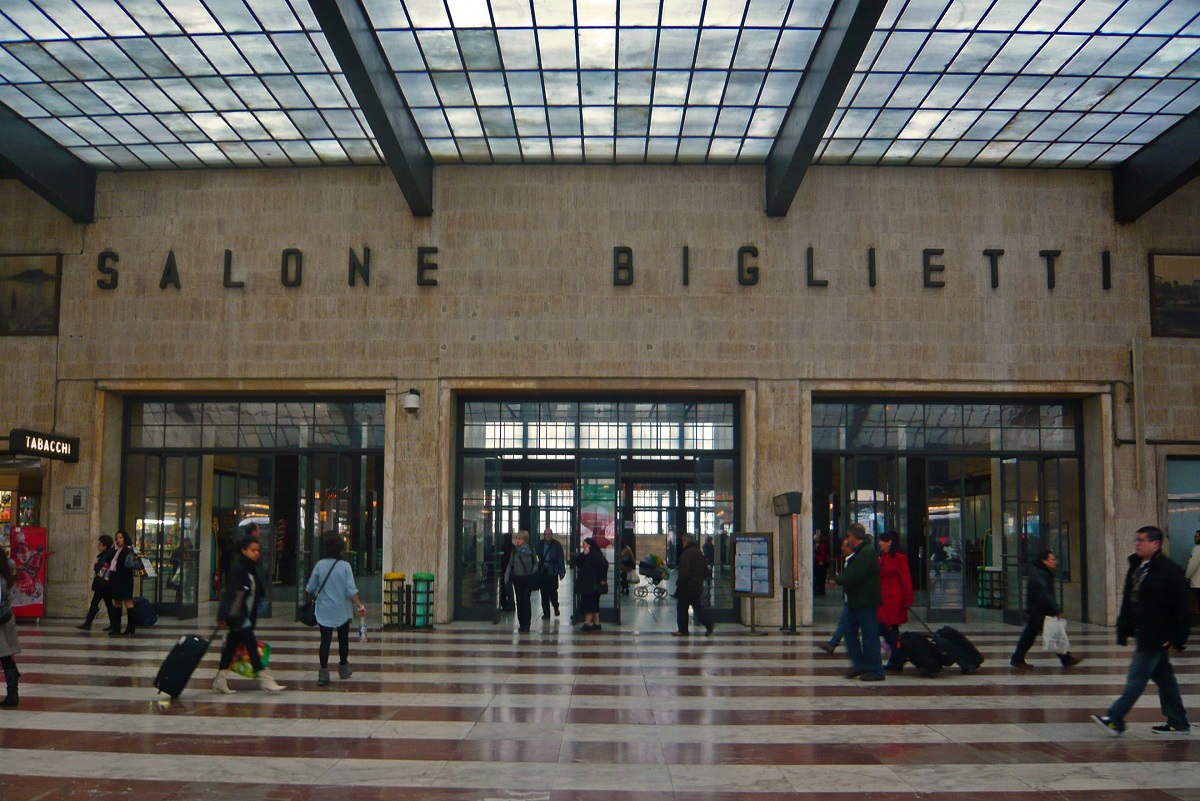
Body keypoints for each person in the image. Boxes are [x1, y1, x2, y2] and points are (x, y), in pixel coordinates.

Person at [1093, 525, 1191, 735]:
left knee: (1136, 678)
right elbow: (1131, 599)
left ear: (1155, 544)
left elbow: (1182, 607)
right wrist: (1124, 626)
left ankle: (1116, 718)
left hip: (1157, 635)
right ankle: (1178, 721)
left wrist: (1176, 637)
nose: (1137, 544)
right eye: (1136, 540)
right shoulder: (1138, 565)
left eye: (1141, 540)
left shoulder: (1169, 570)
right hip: (1143, 631)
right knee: (1165, 679)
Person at [213, 534, 285, 694]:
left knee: (230, 648)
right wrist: (222, 615)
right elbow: (229, 593)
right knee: (252, 646)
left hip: (245, 615)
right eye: (253, 550)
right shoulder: (238, 568)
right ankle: (266, 679)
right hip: (238, 616)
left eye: (258, 550)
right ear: (243, 551)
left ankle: (220, 679)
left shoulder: (251, 569)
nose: (256, 553)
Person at [306, 531, 367, 685]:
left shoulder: (319, 565)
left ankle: (323, 673)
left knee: (325, 641)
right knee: (343, 639)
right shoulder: (345, 566)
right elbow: (350, 590)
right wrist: (360, 606)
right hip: (342, 610)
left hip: (324, 610)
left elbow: (310, 587)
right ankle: (344, 668)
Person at [1010, 550, 1083, 670]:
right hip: (1039, 611)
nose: (1055, 562)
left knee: (1031, 636)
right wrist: (1056, 610)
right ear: (1044, 560)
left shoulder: (1042, 572)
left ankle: (1017, 658)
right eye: (1052, 559)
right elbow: (1045, 594)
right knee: (1045, 635)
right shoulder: (1040, 574)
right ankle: (1066, 659)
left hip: (1038, 610)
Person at [833, 523, 884, 681]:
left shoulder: (866, 552)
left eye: (848, 536)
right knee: (849, 632)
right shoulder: (862, 551)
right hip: (856, 601)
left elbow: (854, 575)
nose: (847, 540)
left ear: (853, 537)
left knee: (869, 637)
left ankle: (876, 670)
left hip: (865, 601)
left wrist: (838, 579)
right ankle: (860, 664)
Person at [877, 531, 913, 672]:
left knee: (887, 628)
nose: (880, 543)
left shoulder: (899, 558)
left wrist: (908, 600)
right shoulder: (884, 557)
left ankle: (898, 655)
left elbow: (906, 580)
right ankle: (896, 659)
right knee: (890, 630)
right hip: (883, 600)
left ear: (890, 542)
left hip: (893, 601)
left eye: (882, 541)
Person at [672, 534, 715, 637]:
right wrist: (699, 579)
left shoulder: (686, 554)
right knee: (697, 607)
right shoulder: (699, 553)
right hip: (697, 586)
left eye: (683, 541)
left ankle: (683, 630)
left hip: (686, 587)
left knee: (682, 608)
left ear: (685, 541)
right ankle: (709, 624)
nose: (682, 543)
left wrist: (679, 583)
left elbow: (684, 573)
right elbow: (706, 571)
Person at [77, 534, 115, 631]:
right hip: (105, 584)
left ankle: (88, 623)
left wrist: (96, 566)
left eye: (100, 544)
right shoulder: (108, 554)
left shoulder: (105, 556)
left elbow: (101, 570)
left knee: (96, 603)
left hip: (102, 584)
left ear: (105, 546)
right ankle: (112, 624)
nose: (98, 546)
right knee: (107, 603)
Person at [504, 530, 539, 632]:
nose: (517, 541)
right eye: (516, 538)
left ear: (524, 540)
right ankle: (521, 623)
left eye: (519, 539)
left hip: (527, 578)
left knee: (526, 600)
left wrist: (533, 570)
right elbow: (510, 564)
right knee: (519, 600)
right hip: (517, 578)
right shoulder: (514, 551)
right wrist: (507, 575)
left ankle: (527, 623)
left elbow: (536, 562)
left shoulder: (531, 550)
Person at [106, 530, 139, 636]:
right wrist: (114, 548)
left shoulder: (128, 550)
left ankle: (131, 627)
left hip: (125, 579)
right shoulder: (116, 549)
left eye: (121, 538)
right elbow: (108, 559)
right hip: (115, 579)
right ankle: (116, 627)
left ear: (125, 538)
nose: (118, 540)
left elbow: (124, 564)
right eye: (117, 538)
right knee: (117, 602)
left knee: (127, 601)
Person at [573, 537, 608, 632]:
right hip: (587, 583)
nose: (582, 545)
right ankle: (597, 623)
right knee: (594, 603)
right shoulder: (585, 554)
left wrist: (603, 579)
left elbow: (604, 565)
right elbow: (576, 562)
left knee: (590, 603)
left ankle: (587, 623)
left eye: (584, 544)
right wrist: (583, 554)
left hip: (593, 584)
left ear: (589, 545)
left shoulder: (596, 554)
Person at [1, 545, 21, 707]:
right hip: (6, 622)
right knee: (7, 658)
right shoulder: (5, 576)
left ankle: (13, 694)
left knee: (6, 658)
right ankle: (13, 694)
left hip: (1, 626)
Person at [537, 527, 566, 618]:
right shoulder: (540, 544)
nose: (548, 536)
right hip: (543, 571)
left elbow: (561, 558)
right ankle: (546, 613)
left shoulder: (556, 545)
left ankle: (555, 606)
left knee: (553, 591)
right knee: (543, 592)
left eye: (549, 534)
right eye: (546, 534)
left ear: (552, 535)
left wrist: (561, 572)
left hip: (553, 571)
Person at [499, 532, 515, 611]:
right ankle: (510, 603)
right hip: (512, 570)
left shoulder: (502, 547)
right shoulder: (513, 548)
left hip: (504, 569)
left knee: (504, 587)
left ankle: (506, 603)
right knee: (508, 587)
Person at [1186, 529, 1200, 614]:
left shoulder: (1197, 549)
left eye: (1196, 536)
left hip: (1198, 584)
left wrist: (1187, 576)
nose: (1194, 538)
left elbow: (1192, 565)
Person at [813, 532, 829, 596]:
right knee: (817, 576)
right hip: (816, 562)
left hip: (820, 563)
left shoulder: (822, 545)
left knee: (821, 577)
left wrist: (821, 560)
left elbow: (823, 554)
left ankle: (821, 590)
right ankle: (818, 588)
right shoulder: (814, 545)